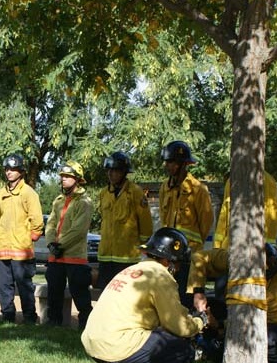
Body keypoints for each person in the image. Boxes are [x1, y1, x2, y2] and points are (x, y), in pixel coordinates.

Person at [81, 227, 208, 363]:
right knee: (182, 351)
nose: (177, 269)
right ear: (168, 261)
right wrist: (200, 321)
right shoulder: (160, 277)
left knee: (161, 335)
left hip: (93, 342)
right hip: (116, 345)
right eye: (177, 263)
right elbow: (179, 326)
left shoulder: (132, 270)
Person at [189, 242, 277, 363]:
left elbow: (258, 325)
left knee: (268, 337)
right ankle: (212, 355)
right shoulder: (235, 258)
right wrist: (198, 292)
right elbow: (199, 257)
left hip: (273, 329)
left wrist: (219, 325)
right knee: (205, 307)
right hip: (236, 315)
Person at [158, 140, 214, 303]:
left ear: (183, 164)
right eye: (167, 162)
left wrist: (192, 246)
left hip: (190, 254)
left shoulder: (198, 189)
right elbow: (163, 217)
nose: (168, 166)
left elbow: (206, 221)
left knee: (185, 296)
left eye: (172, 162)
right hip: (169, 253)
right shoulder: (164, 188)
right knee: (168, 294)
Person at [210, 169, 277, 297]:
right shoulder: (233, 181)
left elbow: (273, 217)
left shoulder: (266, 181)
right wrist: (217, 249)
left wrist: (266, 250)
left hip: (248, 253)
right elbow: (224, 216)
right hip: (233, 252)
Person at [44, 161, 94, 329]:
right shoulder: (58, 201)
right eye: (62, 176)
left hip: (75, 258)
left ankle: (85, 325)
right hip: (56, 257)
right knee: (54, 293)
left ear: (78, 179)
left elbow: (79, 229)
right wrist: (51, 243)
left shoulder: (84, 202)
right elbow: (50, 224)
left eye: (68, 176)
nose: (64, 179)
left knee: (80, 294)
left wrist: (59, 245)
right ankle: (54, 323)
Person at [95, 151, 154, 290]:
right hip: (105, 257)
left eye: (115, 171)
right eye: (108, 170)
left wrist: (143, 249)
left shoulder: (135, 192)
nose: (110, 174)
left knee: (126, 296)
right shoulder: (104, 193)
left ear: (124, 172)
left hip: (128, 258)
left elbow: (146, 224)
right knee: (105, 296)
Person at [0, 153, 43, 324]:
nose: (9, 172)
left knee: (24, 287)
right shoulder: (1, 193)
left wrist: (30, 237)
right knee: (4, 287)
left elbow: (37, 220)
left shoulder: (29, 193)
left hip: (22, 251)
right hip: (4, 250)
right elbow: (1, 217)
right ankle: (7, 317)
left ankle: (29, 318)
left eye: (13, 169)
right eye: (7, 169)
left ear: (21, 172)